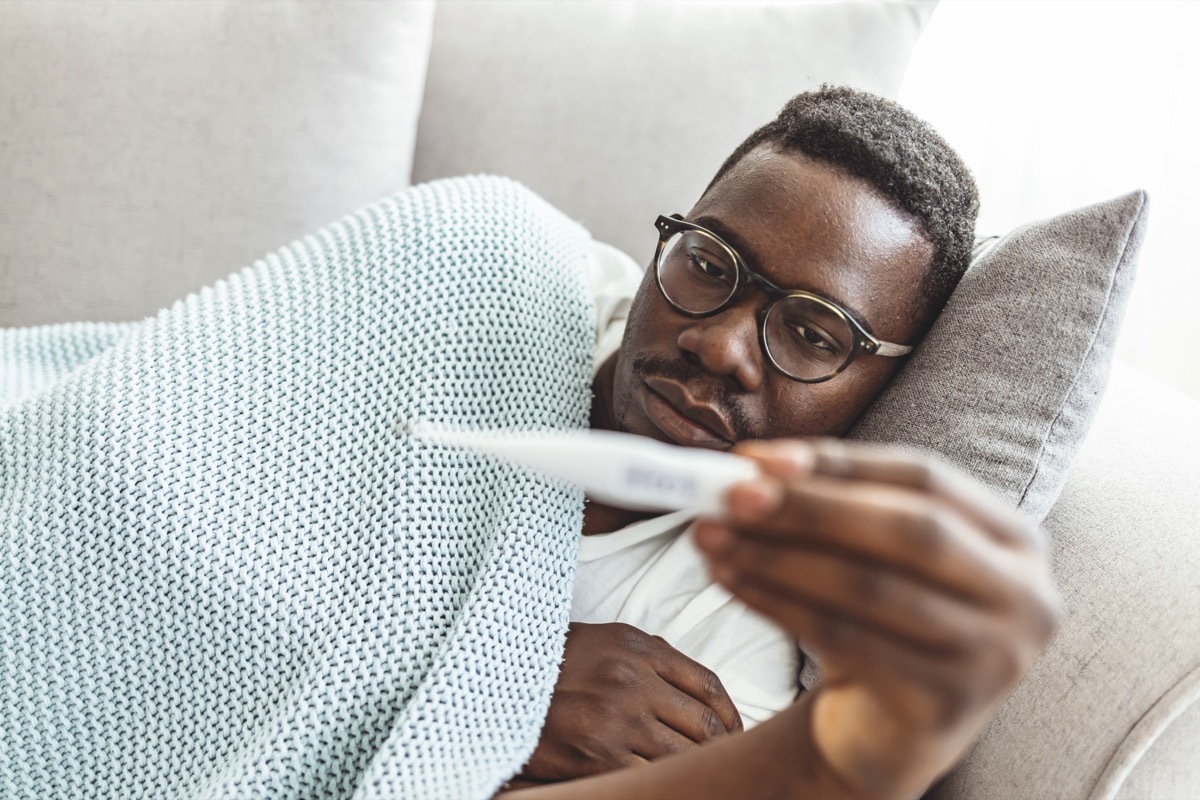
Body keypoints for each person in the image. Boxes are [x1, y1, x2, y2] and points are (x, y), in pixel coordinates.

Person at [499, 86, 1059, 798]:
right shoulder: (505, 279)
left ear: (881, 389)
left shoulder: (734, 631)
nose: (720, 346)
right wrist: (503, 680)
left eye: (812, 333)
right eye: (708, 264)